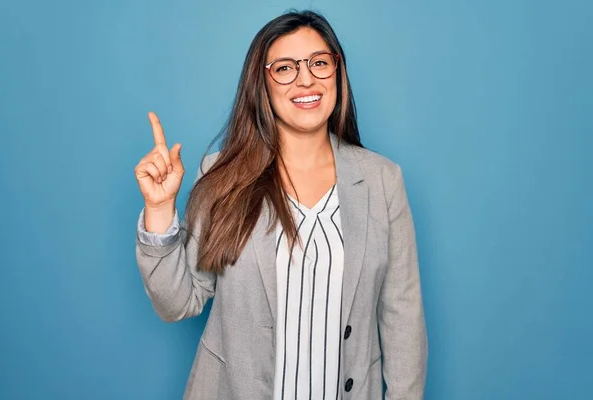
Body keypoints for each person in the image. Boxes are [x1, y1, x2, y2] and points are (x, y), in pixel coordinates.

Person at [134, 9, 428, 400]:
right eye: (285, 68)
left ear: (338, 73)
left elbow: (403, 316)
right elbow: (178, 302)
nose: (306, 78)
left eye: (319, 63)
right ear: (262, 85)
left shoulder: (382, 180)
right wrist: (159, 210)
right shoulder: (223, 176)